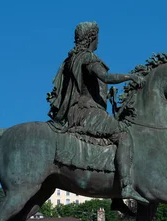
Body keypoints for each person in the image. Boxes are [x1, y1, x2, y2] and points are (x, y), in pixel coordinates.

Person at [47, 21, 148, 210]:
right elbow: (106, 77)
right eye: (97, 36)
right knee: (124, 135)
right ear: (92, 37)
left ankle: (115, 197)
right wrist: (131, 77)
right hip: (85, 112)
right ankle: (125, 188)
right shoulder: (87, 58)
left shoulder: (72, 58)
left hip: (79, 110)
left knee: (111, 139)